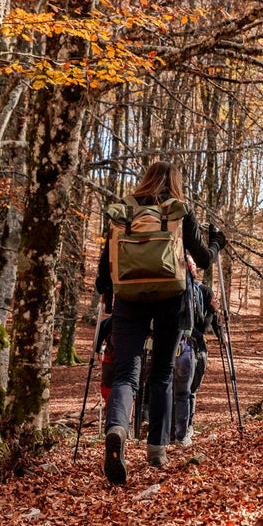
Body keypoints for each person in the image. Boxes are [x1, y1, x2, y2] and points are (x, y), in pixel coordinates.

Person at [95, 161, 226, 485]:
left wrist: (108, 294)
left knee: (127, 373)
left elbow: (104, 269)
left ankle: (117, 429)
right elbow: (205, 259)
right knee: (163, 373)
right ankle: (157, 449)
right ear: (175, 183)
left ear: (145, 179)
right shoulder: (178, 211)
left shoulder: (123, 211)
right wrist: (217, 243)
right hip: (170, 299)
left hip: (129, 299)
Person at [170, 256, 218, 446]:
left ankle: (172, 433)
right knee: (188, 392)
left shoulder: (173, 290)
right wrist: (213, 310)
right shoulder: (199, 292)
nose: (193, 268)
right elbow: (204, 326)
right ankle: (183, 432)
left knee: (174, 390)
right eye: (192, 266)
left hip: (172, 345)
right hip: (192, 346)